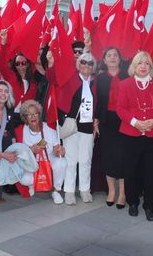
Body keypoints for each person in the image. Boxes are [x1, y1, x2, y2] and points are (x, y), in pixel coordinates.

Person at [116, 51, 153, 222]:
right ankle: (133, 202)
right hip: (130, 134)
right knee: (131, 171)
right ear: (134, 66)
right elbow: (120, 108)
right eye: (140, 63)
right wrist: (135, 122)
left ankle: (149, 206)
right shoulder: (124, 85)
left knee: (151, 172)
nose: (144, 66)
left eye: (147, 63)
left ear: (151, 67)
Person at [46, 52, 98, 205]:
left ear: (93, 67)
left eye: (89, 63)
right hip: (71, 126)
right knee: (70, 160)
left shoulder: (96, 83)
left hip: (88, 127)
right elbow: (53, 79)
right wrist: (51, 64)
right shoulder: (70, 79)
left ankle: (84, 189)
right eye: (83, 62)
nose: (86, 65)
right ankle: (69, 190)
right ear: (78, 64)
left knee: (86, 160)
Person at [95, 47, 129, 209]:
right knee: (108, 155)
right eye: (109, 55)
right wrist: (96, 120)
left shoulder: (128, 74)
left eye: (115, 54)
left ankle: (122, 193)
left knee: (123, 156)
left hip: (125, 120)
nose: (113, 57)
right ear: (104, 60)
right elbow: (98, 101)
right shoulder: (100, 78)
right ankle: (111, 191)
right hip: (107, 120)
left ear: (119, 58)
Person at [14, 100, 67, 203]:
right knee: (23, 179)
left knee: (62, 162)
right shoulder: (21, 130)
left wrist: (60, 151)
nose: (33, 117)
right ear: (25, 117)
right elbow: (18, 154)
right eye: (29, 115)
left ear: (39, 115)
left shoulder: (49, 128)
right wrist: (31, 150)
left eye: (35, 114)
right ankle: (33, 184)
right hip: (31, 162)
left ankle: (56, 191)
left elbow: (56, 149)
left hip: (48, 160)